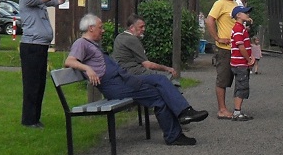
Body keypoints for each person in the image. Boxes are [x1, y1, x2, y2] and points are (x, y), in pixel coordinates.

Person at [64, 14, 208, 146]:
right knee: (159, 96)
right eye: (100, 28)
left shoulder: (93, 45)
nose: (103, 31)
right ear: (91, 28)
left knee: (160, 81)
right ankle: (176, 130)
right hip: (115, 86)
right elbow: (69, 61)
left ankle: (183, 115)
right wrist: (87, 69)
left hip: (123, 80)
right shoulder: (81, 43)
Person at [17, 0, 70, 129]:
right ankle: (28, 120)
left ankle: (35, 119)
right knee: (32, 84)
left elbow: (60, 0)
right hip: (31, 47)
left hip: (40, 47)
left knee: (39, 84)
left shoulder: (38, 1)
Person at [205, 0, 239, 119]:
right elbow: (209, 20)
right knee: (223, 78)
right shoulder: (220, 4)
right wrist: (217, 38)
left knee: (240, 78)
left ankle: (237, 107)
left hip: (236, 48)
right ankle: (222, 109)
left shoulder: (235, 5)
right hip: (225, 49)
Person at [112, 15, 178, 81]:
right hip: (133, 72)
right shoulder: (132, 39)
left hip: (121, 71)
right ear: (132, 27)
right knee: (168, 78)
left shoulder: (119, 36)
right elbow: (147, 65)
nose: (144, 29)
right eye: (141, 27)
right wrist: (167, 68)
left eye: (144, 26)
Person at [228, 6, 257, 121]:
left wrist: (251, 56)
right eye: (245, 13)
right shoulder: (238, 28)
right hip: (240, 63)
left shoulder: (241, 28)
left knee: (239, 86)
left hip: (239, 63)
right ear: (238, 15)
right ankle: (237, 112)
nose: (248, 15)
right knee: (242, 86)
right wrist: (248, 59)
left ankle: (237, 110)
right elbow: (241, 46)